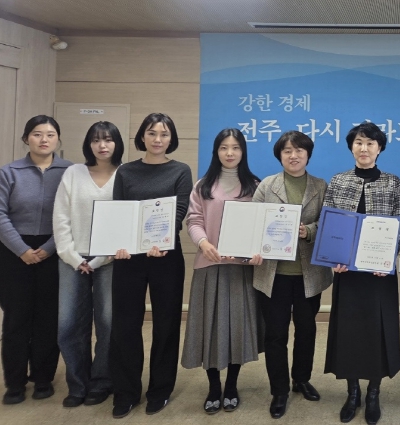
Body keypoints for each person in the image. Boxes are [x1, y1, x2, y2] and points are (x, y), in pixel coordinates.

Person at [109, 113, 193, 419]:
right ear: (142, 136)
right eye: (152, 133)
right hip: (129, 258)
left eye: (164, 134)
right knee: (125, 325)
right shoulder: (125, 171)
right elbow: (119, 211)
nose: (158, 139)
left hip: (166, 256)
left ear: (172, 138)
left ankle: (160, 389)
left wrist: (162, 241)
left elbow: (180, 210)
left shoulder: (180, 170)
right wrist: (119, 243)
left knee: (166, 324)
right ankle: (126, 391)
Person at [323, 122, 400, 425]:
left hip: (378, 274)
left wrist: (386, 258)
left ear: (379, 148)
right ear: (351, 147)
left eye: (370, 143)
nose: (364, 148)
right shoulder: (338, 180)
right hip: (348, 272)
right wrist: (333, 255)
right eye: (359, 142)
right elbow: (328, 222)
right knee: (349, 332)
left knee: (377, 333)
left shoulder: (393, 182)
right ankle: (352, 392)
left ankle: (373, 392)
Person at [181, 128, 265, 414]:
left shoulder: (256, 186)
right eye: (224, 147)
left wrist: (257, 252)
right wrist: (203, 243)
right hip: (210, 266)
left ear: (243, 151)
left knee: (237, 329)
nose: (230, 153)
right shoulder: (203, 185)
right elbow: (194, 220)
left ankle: (231, 385)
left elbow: (261, 226)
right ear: (216, 151)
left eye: (236, 147)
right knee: (210, 328)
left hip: (242, 270)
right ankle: (214, 386)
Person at [252, 130, 331, 419]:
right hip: (273, 274)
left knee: (306, 329)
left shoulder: (321, 186)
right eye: (287, 151)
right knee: (275, 333)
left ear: (308, 154)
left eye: (299, 150)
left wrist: (308, 230)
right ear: (280, 155)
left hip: (309, 273)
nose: (293, 155)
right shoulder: (267, 185)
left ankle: (301, 379)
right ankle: (279, 390)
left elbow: (329, 223)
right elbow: (253, 221)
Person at [0, 115, 72, 404]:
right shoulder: (9, 172)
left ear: (58, 139)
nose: (44, 139)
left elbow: (73, 214)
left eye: (50, 134)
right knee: (15, 319)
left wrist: (50, 247)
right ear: (26, 138)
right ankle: (15, 383)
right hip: (13, 251)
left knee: (48, 318)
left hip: (54, 250)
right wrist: (21, 249)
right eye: (37, 134)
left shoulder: (71, 172)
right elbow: (0, 215)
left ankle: (43, 378)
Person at [53, 121, 124, 408]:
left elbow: (125, 221)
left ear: (117, 143)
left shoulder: (124, 174)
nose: (102, 145)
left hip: (110, 260)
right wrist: (74, 257)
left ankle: (101, 381)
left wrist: (99, 259)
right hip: (72, 258)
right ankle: (77, 384)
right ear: (88, 144)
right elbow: (61, 218)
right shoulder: (73, 173)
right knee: (69, 324)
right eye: (96, 140)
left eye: (108, 139)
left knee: (107, 323)